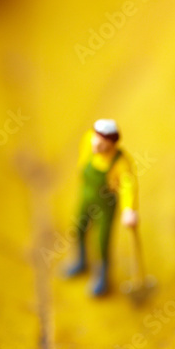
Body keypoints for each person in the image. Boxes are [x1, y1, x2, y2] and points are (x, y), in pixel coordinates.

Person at [64, 119, 139, 296]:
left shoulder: (120, 162)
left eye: (102, 143)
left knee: (102, 240)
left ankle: (103, 277)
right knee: (79, 228)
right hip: (86, 197)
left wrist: (128, 210)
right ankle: (80, 262)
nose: (96, 145)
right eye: (95, 139)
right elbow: (83, 160)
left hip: (105, 205)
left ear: (112, 144)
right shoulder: (88, 141)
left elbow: (128, 186)